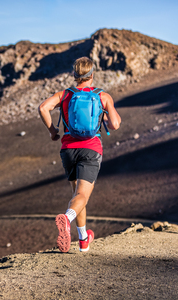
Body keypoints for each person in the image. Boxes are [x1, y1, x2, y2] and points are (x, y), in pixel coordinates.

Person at [38, 57, 121, 253]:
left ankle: (84, 239)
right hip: (91, 149)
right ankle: (66, 219)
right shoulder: (102, 96)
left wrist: (52, 131)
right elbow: (115, 124)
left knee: (77, 195)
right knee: (82, 195)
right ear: (92, 75)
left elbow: (43, 108)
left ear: (75, 76)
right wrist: (107, 114)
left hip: (68, 150)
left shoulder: (65, 95)